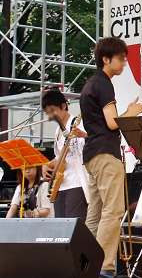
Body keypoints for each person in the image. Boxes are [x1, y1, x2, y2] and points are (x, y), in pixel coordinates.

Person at [80, 37, 142, 278]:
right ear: (106, 59)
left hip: (91, 155)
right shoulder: (103, 84)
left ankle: (85, 264)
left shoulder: (90, 84)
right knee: (113, 210)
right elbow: (112, 123)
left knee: (95, 214)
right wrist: (131, 113)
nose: (124, 63)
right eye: (121, 59)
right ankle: (104, 266)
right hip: (105, 153)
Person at [41, 89, 90, 220]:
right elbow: (59, 157)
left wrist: (82, 135)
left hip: (77, 182)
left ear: (63, 106)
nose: (50, 115)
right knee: (60, 223)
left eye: (53, 111)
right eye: (48, 112)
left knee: (74, 222)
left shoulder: (78, 124)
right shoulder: (58, 130)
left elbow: (92, 142)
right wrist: (47, 165)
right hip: (61, 183)